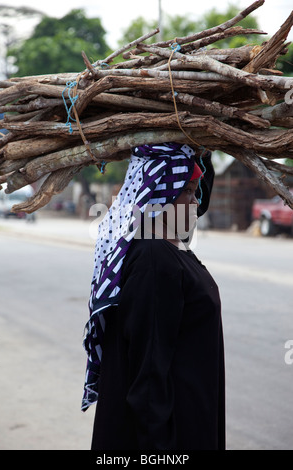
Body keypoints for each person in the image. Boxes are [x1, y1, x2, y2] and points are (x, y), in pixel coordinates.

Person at [82, 142, 225, 451]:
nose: (195, 200)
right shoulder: (153, 258)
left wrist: (203, 148)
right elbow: (147, 380)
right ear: (160, 196)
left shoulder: (169, 247)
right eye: (187, 191)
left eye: (195, 190)